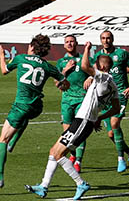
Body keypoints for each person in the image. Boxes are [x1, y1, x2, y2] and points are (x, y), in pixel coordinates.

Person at [25, 41, 120, 200]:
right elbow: (116, 108)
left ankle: (80, 183)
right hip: (84, 121)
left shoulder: (102, 77)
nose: (94, 67)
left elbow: (84, 66)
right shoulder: (113, 85)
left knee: (59, 154)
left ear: (102, 67)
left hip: (83, 122)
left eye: (96, 65)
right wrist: (100, 117)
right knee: (53, 151)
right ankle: (43, 186)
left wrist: (87, 49)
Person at [0, 34, 69, 191]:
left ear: (32, 47)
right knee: (25, 117)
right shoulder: (48, 66)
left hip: (21, 106)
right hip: (37, 107)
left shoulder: (21, 58)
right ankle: (13, 143)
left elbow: (4, 70)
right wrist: (62, 82)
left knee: (2, 139)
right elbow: (65, 84)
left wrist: (1, 55)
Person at [91, 30, 129, 173]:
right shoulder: (98, 56)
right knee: (111, 134)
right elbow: (94, 72)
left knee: (115, 123)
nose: (106, 41)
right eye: (103, 38)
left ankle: (120, 159)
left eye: (108, 38)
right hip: (105, 96)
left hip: (121, 93)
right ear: (100, 40)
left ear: (113, 39)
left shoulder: (122, 54)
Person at [56, 35, 90, 173]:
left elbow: (95, 71)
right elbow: (57, 83)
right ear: (64, 45)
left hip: (81, 99)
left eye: (72, 41)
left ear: (76, 43)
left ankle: (78, 161)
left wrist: (90, 77)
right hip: (66, 101)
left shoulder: (84, 59)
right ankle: (73, 155)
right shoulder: (61, 62)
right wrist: (65, 70)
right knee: (67, 132)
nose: (69, 44)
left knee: (80, 130)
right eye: (67, 42)